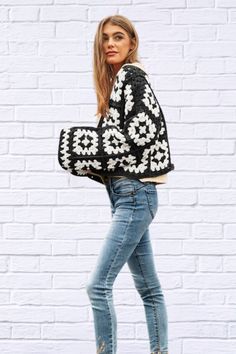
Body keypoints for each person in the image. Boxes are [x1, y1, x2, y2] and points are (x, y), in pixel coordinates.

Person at [58, 14, 174, 354]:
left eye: (118, 37)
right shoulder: (119, 82)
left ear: (131, 43)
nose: (110, 43)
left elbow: (141, 134)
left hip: (135, 194)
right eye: (105, 38)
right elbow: (121, 147)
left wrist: (76, 145)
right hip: (131, 194)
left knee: (98, 286)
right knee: (149, 288)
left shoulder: (131, 75)